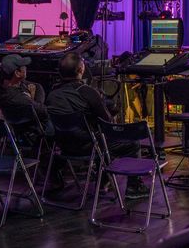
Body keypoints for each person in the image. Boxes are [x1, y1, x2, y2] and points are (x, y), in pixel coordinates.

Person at [46, 53, 148, 198]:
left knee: (100, 138)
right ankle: (134, 186)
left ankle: (103, 181)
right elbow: (108, 123)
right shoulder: (87, 92)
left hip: (63, 146)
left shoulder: (52, 94)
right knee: (130, 142)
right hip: (88, 146)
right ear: (81, 70)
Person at [0, 54, 53, 137]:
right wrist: (32, 98)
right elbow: (43, 111)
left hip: (22, 122)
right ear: (17, 73)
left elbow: (37, 86)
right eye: (23, 66)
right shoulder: (17, 97)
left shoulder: (5, 85)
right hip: (29, 128)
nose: (26, 68)